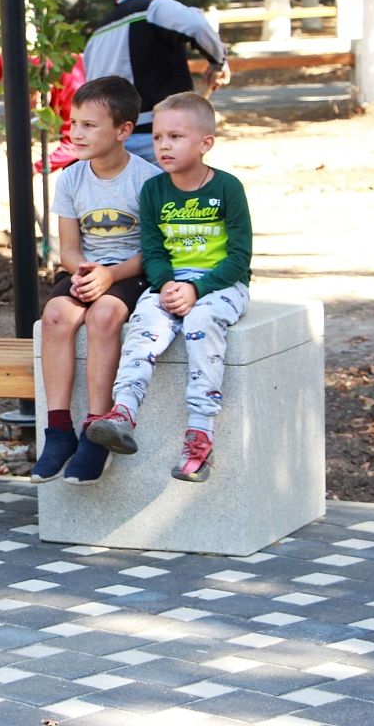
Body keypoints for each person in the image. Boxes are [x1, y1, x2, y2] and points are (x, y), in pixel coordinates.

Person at [85, 92, 252, 483]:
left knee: (202, 323)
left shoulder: (227, 189)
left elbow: (239, 257)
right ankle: (122, 411)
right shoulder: (155, 191)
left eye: (175, 137)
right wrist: (166, 284)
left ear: (205, 143)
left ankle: (200, 433)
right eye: (158, 137)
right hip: (171, 283)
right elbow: (153, 251)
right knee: (145, 325)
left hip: (220, 284)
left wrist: (198, 288)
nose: (163, 146)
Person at [30, 76, 162, 485]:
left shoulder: (148, 180)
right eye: (74, 122)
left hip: (128, 274)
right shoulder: (71, 178)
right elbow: (67, 246)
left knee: (104, 317)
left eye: (90, 125)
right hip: (85, 270)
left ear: (123, 130)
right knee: (55, 316)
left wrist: (110, 276)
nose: (77, 132)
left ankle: (96, 430)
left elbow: (152, 252)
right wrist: (82, 269)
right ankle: (58, 431)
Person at [84, 0, 230, 165]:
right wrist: (218, 61)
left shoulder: (96, 38)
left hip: (114, 143)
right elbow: (197, 25)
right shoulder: (154, 9)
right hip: (161, 137)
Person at [0, 52, 86, 173]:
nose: (30, 107)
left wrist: (36, 168)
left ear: (47, 87)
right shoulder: (35, 67)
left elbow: (75, 145)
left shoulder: (75, 93)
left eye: (30, 97)